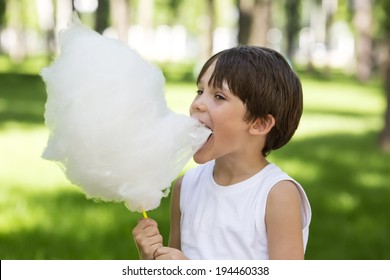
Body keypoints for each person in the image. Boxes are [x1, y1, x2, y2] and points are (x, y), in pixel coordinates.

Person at [132, 45, 311, 260]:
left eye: (218, 96)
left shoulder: (277, 195)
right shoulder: (186, 186)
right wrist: (150, 258)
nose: (197, 104)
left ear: (260, 123)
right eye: (200, 91)